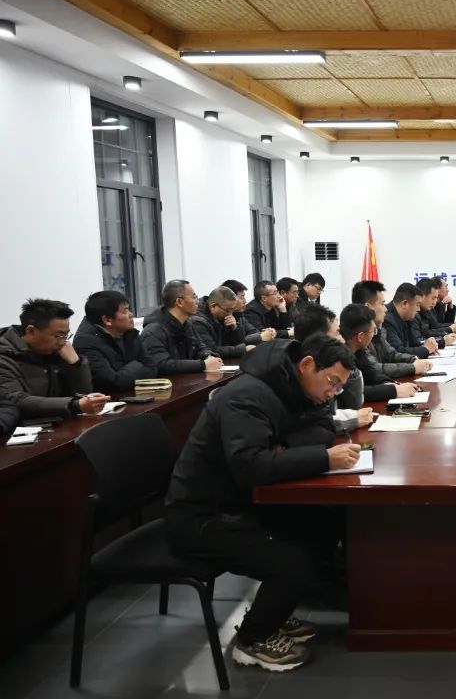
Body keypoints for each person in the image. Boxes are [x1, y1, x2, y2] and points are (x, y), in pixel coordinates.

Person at [165, 334, 361, 672]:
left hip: (244, 502)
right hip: (203, 516)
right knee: (297, 558)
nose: (334, 392)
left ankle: (275, 612)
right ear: (307, 365)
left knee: (325, 522)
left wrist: (289, 449)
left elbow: (322, 427)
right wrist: (322, 458)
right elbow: (250, 465)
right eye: (332, 382)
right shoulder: (247, 395)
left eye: (340, 387)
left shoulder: (294, 389)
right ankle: (253, 638)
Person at [0, 299, 108, 419]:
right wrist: (73, 405)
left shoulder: (55, 352)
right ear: (31, 331)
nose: (62, 342)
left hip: (56, 422)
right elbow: (15, 401)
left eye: (65, 335)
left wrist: (76, 364)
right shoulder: (4, 357)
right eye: (58, 336)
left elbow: (83, 395)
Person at [73, 290, 157, 394]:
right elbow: (112, 383)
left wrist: (127, 375)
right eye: (125, 311)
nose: (131, 315)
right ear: (107, 320)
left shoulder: (129, 332)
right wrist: (138, 365)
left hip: (135, 395)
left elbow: (152, 368)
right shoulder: (85, 342)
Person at [338, 303, 418, 404]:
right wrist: (393, 391)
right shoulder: (340, 358)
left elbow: (371, 373)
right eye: (373, 331)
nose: (373, 335)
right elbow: (354, 392)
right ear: (360, 337)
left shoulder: (358, 349)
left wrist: (391, 384)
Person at [141, 280, 224, 374]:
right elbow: (162, 364)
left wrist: (209, 356)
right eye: (194, 297)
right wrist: (202, 364)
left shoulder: (187, 323)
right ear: (179, 302)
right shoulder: (153, 331)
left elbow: (200, 347)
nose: (197, 301)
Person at [353, 282, 431, 379]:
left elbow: (391, 354)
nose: (386, 309)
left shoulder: (376, 330)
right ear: (368, 307)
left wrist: (413, 360)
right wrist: (412, 368)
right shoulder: (357, 334)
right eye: (382, 304)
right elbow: (374, 368)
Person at [191, 286, 253, 360]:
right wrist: (242, 349)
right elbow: (212, 350)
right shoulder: (198, 321)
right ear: (213, 306)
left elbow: (237, 343)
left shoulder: (223, 314)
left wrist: (235, 328)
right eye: (228, 310)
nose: (230, 314)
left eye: (233, 310)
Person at [383, 283, 439, 358]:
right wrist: (426, 350)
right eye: (418, 305)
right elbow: (397, 351)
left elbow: (414, 343)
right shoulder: (387, 319)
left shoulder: (407, 317)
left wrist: (427, 346)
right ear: (405, 303)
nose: (419, 309)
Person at [415, 278, 456, 348]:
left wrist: (446, 333)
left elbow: (427, 332)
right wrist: (443, 339)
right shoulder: (414, 314)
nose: (434, 302)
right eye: (433, 298)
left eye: (436, 298)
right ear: (422, 296)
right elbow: (419, 340)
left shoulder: (426, 309)